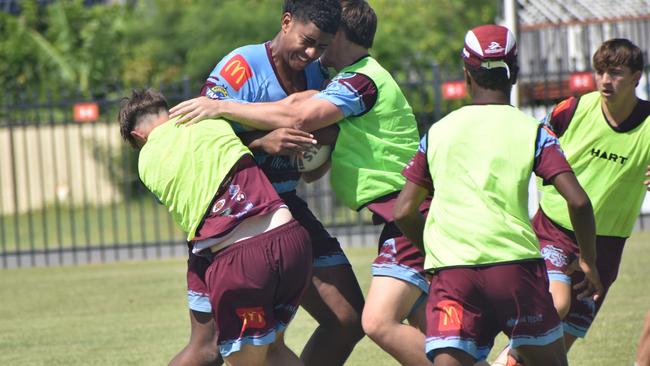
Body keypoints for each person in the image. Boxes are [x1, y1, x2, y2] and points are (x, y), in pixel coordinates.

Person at [170, 1, 431, 364]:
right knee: (210, 346)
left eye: (321, 47)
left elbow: (312, 163)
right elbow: (195, 144)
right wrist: (260, 143)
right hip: (235, 208)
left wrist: (320, 148)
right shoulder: (241, 68)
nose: (310, 54)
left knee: (347, 319)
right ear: (286, 22)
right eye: (306, 42)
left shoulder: (320, 75)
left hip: (287, 206)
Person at [392, 24, 603, 366]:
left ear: (466, 74)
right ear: (514, 73)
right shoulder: (534, 131)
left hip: (453, 273)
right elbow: (578, 201)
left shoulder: (439, 133)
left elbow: (403, 211)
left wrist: (433, 254)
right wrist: (588, 261)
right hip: (516, 271)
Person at [118, 89, 312, 366]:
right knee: (273, 351)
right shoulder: (212, 120)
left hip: (242, 261)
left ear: (138, 137)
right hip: (292, 242)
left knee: (246, 360)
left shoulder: (147, 160)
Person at [530, 38, 650, 354]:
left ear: (638, 77)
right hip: (554, 230)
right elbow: (530, 150)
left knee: (555, 348)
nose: (605, 80)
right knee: (556, 307)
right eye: (600, 72)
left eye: (616, 73)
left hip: (607, 244)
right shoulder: (572, 109)